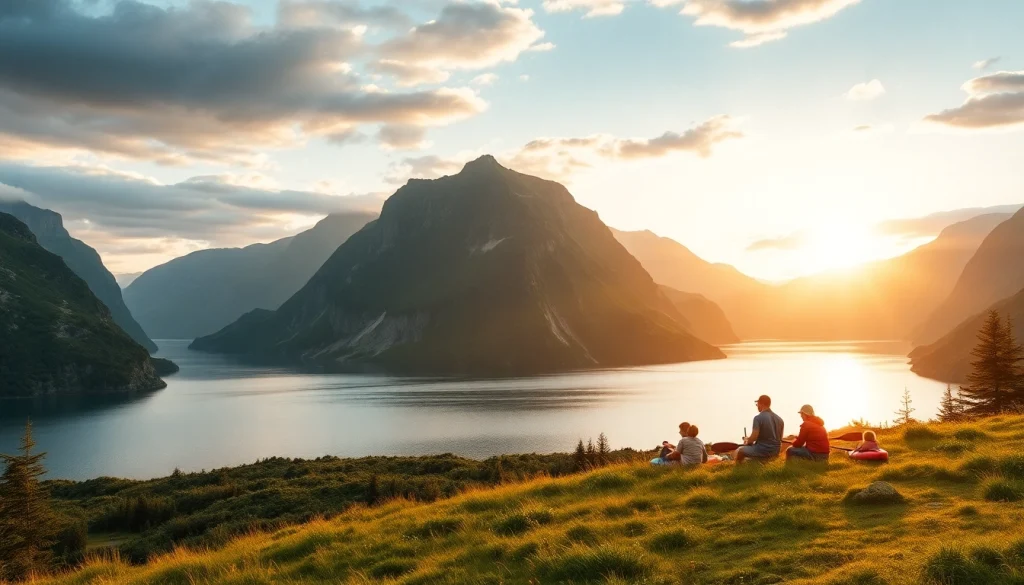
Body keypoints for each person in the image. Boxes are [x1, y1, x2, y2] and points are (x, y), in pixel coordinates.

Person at [736, 395, 784, 464]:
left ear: (761, 404)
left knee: (741, 451)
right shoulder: (780, 419)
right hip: (775, 452)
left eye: (757, 404)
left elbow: (753, 438)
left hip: (763, 451)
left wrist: (747, 441)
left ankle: (737, 470)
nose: (757, 406)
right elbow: (780, 439)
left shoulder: (758, 418)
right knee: (751, 457)